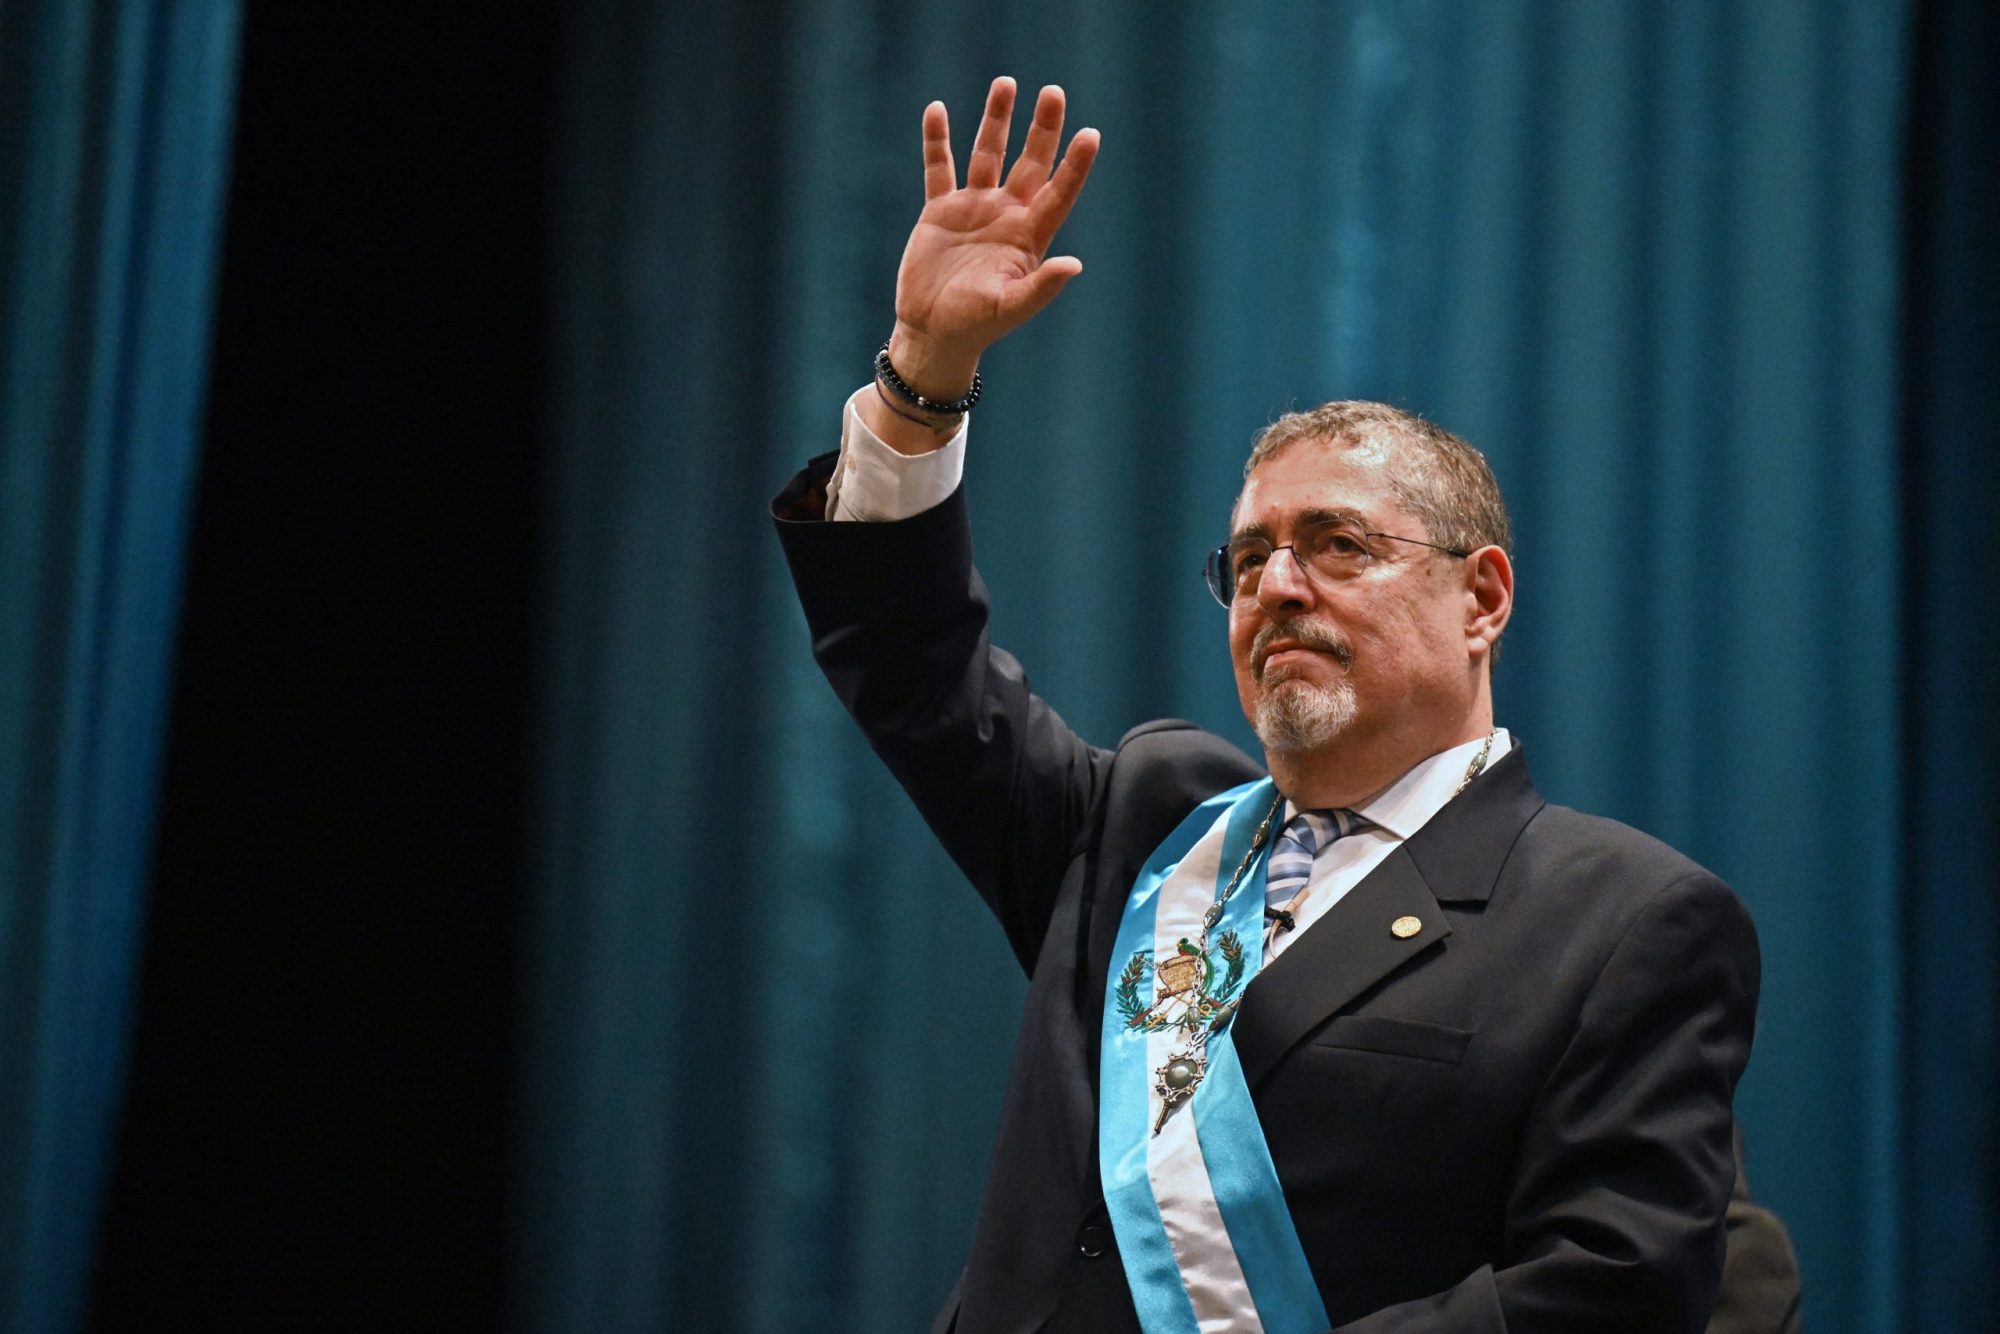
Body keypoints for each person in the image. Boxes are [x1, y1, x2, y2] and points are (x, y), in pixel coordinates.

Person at [773, 77, 1797, 1334]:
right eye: (1248, 559)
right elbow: (911, 660)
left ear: (1481, 597)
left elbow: (1608, 1289)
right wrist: (923, 375)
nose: (1277, 587)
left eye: (1335, 544)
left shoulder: (1623, 918)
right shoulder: (1142, 819)